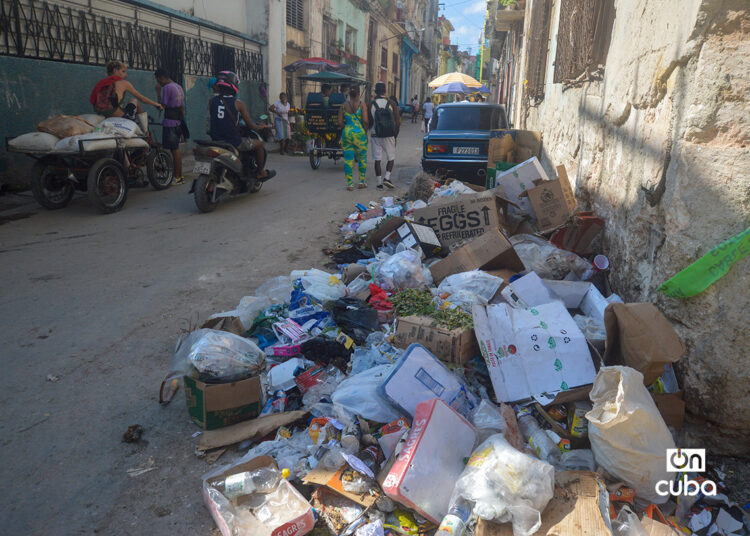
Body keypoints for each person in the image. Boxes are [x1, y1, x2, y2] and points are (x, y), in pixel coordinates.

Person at [208, 71, 274, 180]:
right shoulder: (238, 104)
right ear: (234, 85)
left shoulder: (212, 101)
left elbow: (218, 119)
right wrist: (261, 127)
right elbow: (252, 126)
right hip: (233, 141)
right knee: (260, 144)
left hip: (215, 139)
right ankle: (261, 172)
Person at [90, 60, 162, 133]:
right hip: (120, 116)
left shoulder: (102, 83)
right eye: (123, 71)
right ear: (115, 70)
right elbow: (142, 99)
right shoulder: (123, 83)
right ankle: (146, 132)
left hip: (104, 115)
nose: (126, 75)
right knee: (134, 100)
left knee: (123, 105)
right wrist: (156, 104)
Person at [154, 68, 185, 184]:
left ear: (162, 77)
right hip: (178, 121)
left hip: (170, 122)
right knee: (176, 149)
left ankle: (177, 177)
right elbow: (182, 107)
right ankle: (179, 176)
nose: (159, 83)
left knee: (174, 149)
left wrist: (157, 92)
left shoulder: (167, 88)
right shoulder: (178, 87)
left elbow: (162, 106)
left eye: (158, 80)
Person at [337, 85, 369, 191]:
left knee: (348, 159)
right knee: (362, 158)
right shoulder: (362, 104)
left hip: (347, 133)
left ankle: (350, 184)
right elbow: (365, 120)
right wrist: (365, 131)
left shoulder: (343, 105)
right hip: (359, 133)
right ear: (359, 94)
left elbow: (340, 122)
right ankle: (361, 182)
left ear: (349, 94)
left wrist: (346, 128)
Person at [370, 83, 400, 190]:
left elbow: (369, 121)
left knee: (377, 159)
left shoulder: (371, 104)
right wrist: (395, 135)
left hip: (375, 135)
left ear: (375, 92)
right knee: (390, 157)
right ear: (384, 92)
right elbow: (397, 121)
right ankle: (387, 177)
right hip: (389, 135)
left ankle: (379, 183)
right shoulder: (391, 103)